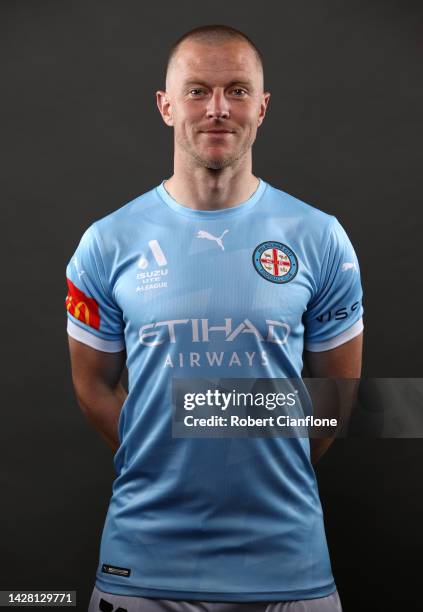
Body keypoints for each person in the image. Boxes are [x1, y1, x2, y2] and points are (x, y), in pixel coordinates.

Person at [65, 24, 363, 612]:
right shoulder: (106, 242)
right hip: (144, 566)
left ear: (263, 105)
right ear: (166, 104)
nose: (218, 109)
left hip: (288, 566)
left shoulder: (320, 237)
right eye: (198, 91)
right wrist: (160, 455)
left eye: (238, 90)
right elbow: (92, 386)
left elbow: (336, 396)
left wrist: (253, 443)